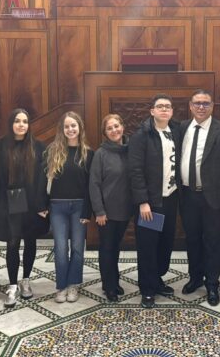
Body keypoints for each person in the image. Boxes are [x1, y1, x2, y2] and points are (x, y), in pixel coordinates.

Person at [179, 89, 220, 306]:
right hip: (187, 196)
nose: (201, 107)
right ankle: (195, 277)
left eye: (206, 103)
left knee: (213, 241)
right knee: (192, 239)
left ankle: (212, 283)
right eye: (197, 103)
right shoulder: (182, 128)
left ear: (212, 106)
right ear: (190, 106)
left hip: (213, 197)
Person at [0, 109, 48, 308]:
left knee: (30, 241)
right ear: (11, 123)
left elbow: (42, 178)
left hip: (32, 201)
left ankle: (26, 280)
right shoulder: (1, 146)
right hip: (10, 201)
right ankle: (13, 284)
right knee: (13, 242)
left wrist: (41, 204)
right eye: (17, 121)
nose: (21, 125)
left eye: (25, 121)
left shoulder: (38, 146)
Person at [128, 95, 182, 308]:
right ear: (152, 111)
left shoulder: (176, 131)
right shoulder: (141, 136)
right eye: (160, 106)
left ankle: (157, 280)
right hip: (151, 203)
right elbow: (135, 171)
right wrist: (143, 201)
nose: (164, 110)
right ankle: (147, 289)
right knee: (148, 246)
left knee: (165, 244)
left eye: (168, 106)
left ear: (172, 111)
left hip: (171, 199)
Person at [46, 111, 93, 303]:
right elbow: (43, 180)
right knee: (60, 248)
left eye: (74, 125)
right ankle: (61, 286)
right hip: (57, 206)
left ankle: (73, 284)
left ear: (80, 127)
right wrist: (43, 204)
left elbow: (91, 185)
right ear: (62, 129)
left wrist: (87, 211)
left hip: (79, 206)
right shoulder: (53, 151)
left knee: (77, 248)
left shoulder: (88, 153)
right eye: (66, 126)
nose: (70, 129)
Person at [91, 114, 133, 303]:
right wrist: (99, 211)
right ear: (105, 133)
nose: (114, 130)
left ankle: (114, 280)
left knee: (116, 247)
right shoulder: (100, 154)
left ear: (122, 127)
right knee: (107, 248)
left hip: (125, 210)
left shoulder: (130, 150)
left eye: (117, 126)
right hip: (106, 213)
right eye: (110, 128)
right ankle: (109, 286)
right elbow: (94, 184)